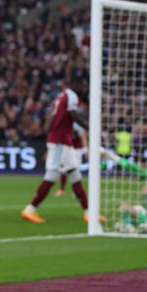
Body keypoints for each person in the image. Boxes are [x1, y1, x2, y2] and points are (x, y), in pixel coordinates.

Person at [22, 78, 96, 224]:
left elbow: (54, 118)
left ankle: (89, 214)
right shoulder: (71, 95)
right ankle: (30, 209)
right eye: (83, 86)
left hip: (63, 141)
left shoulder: (62, 96)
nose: (84, 89)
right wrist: (90, 127)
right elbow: (73, 114)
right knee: (51, 176)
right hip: (60, 141)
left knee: (75, 176)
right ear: (77, 85)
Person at [55, 125, 86, 197]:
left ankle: (75, 191)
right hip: (66, 149)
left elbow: (83, 136)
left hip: (77, 151)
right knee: (63, 170)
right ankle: (62, 189)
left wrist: (85, 148)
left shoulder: (77, 125)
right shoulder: (64, 124)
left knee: (75, 171)